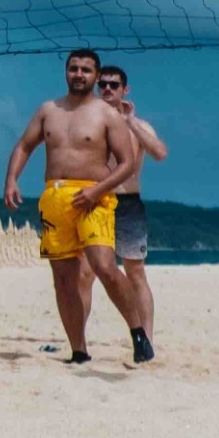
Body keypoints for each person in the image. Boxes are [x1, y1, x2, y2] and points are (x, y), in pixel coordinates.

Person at [2, 48, 154, 365]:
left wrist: (97, 191)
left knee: (104, 266)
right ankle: (79, 350)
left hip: (94, 196)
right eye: (74, 69)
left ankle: (138, 332)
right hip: (55, 196)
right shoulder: (48, 110)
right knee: (64, 278)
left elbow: (127, 165)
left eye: (86, 70)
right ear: (66, 72)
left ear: (95, 76)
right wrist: (12, 179)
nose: (79, 75)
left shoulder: (106, 114)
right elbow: (24, 145)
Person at [92, 63, 165, 342]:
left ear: (125, 90)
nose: (108, 89)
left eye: (113, 85)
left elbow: (160, 153)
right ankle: (80, 343)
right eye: (103, 85)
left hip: (128, 203)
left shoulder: (139, 125)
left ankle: (146, 338)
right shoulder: (90, 121)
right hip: (96, 202)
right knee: (86, 272)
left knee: (135, 272)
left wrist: (131, 121)